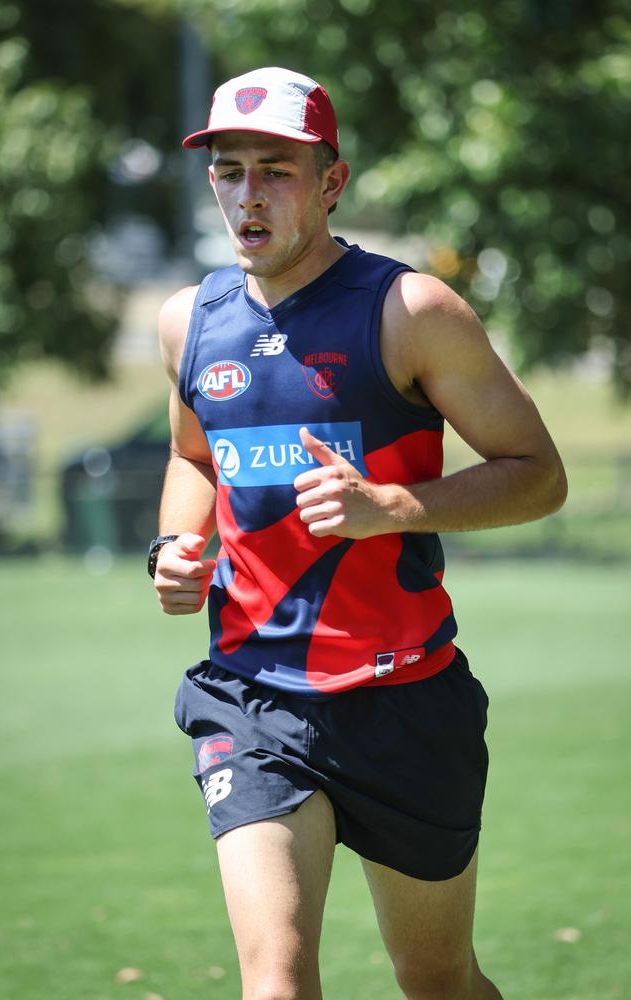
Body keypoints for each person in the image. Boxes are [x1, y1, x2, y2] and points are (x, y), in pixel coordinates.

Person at [150, 66, 567, 1000]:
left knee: (437, 982)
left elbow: (539, 474)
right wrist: (175, 549)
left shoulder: (413, 310)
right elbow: (194, 461)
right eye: (228, 170)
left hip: (405, 699)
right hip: (250, 696)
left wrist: (396, 508)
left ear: (332, 183)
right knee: (277, 983)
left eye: (277, 170)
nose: (247, 195)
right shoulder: (190, 321)